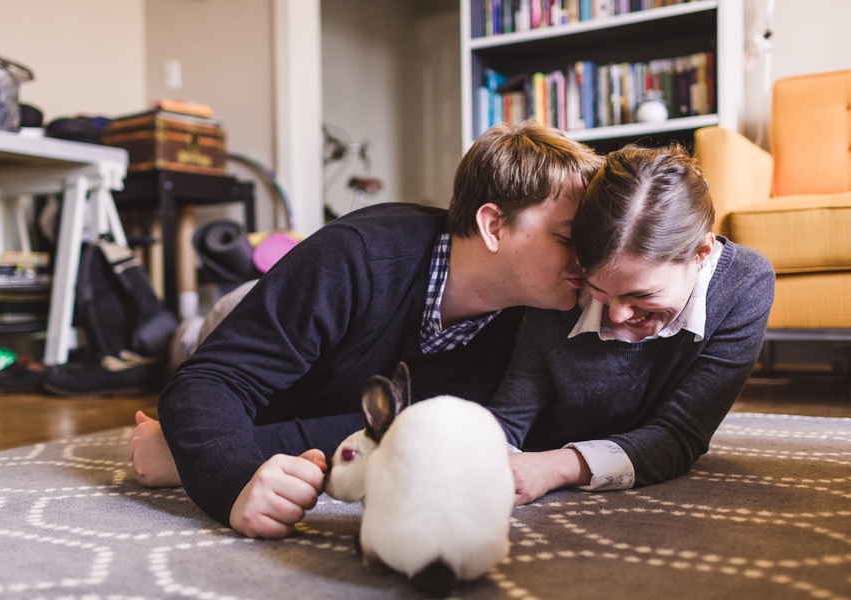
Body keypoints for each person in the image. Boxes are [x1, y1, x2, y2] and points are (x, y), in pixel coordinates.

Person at [129, 121, 604, 539]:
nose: (586, 259)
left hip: (321, 380)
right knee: (190, 340)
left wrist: (186, 453)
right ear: (494, 226)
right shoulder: (355, 256)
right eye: (567, 238)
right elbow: (208, 380)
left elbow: (393, 428)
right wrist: (230, 475)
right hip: (235, 317)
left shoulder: (525, 316)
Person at [488, 144, 776, 505]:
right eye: (598, 289)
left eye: (641, 294)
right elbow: (510, 416)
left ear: (701, 253)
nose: (618, 315)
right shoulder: (563, 285)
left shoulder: (743, 284)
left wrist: (555, 468)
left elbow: (680, 435)